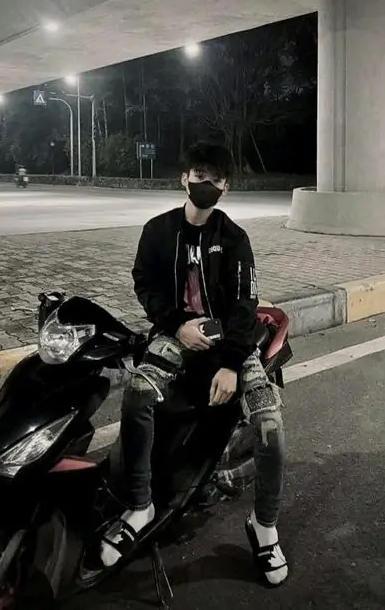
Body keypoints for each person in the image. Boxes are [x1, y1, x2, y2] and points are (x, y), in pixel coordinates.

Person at [100, 142, 288, 585]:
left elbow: (244, 305)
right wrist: (175, 324)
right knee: (137, 394)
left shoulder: (234, 238)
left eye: (216, 178)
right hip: (175, 334)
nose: (208, 184)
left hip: (231, 344)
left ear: (226, 186)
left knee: (271, 425)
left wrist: (231, 364)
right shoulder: (158, 231)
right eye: (200, 175)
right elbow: (144, 284)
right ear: (184, 178)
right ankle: (140, 505)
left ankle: (264, 526)